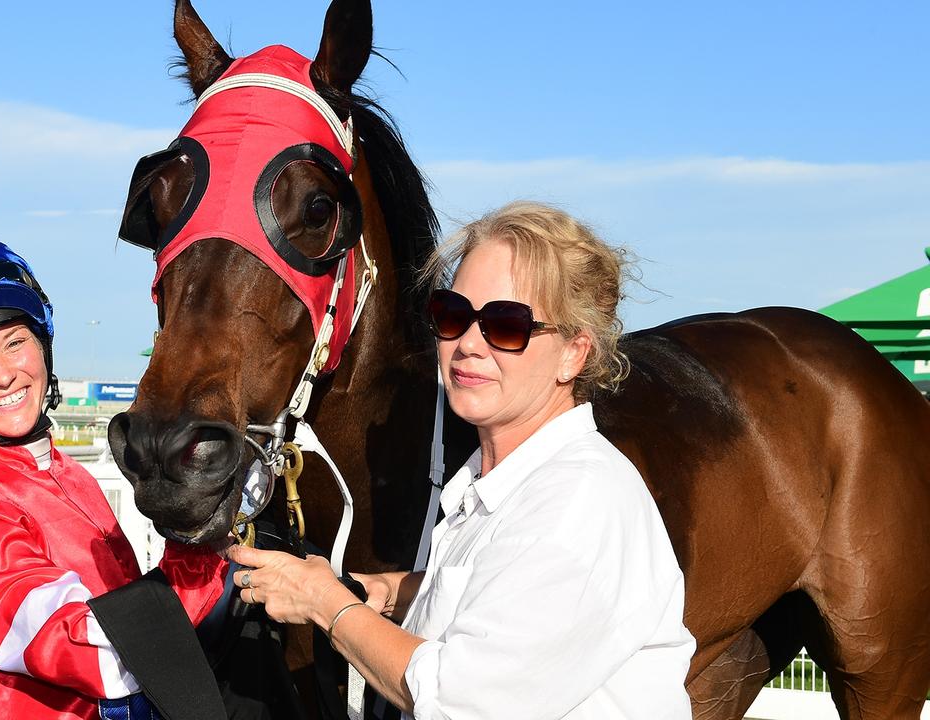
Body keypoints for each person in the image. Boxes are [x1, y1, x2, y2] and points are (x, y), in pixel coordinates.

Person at [227, 202, 695, 719]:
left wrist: (327, 605)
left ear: (573, 354)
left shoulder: (579, 501)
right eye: (453, 316)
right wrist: (385, 589)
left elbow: (460, 700)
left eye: (506, 325)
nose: (468, 344)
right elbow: (493, 598)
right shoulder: (494, 478)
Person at [0, 237, 229, 720]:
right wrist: (201, 545)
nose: (4, 375)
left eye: (15, 342)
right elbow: (99, 652)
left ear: (43, 347)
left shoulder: (64, 472)